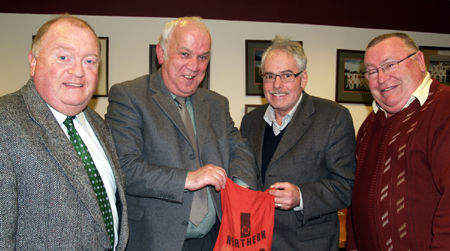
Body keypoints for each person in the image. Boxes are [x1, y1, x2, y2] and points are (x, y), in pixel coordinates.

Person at [105, 16, 260, 251]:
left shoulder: (217, 103)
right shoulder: (129, 96)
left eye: (203, 57)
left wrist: (239, 192)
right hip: (156, 241)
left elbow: (240, 149)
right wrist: (188, 178)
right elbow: (125, 168)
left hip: (215, 239)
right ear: (161, 54)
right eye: (185, 54)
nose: (194, 66)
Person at [0, 14, 128, 250]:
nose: (78, 71)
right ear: (33, 62)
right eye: (63, 57)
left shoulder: (97, 124)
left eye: (89, 61)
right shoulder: (5, 123)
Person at [240, 35, 356, 250]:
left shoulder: (333, 117)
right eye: (269, 76)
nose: (276, 85)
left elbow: (346, 185)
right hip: (256, 239)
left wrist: (301, 196)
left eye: (286, 75)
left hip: (308, 243)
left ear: (303, 78)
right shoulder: (250, 121)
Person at [345, 33, 450, 251]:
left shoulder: (444, 110)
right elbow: (359, 199)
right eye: (372, 72)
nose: (382, 78)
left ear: (419, 61)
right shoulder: (370, 123)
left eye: (390, 65)